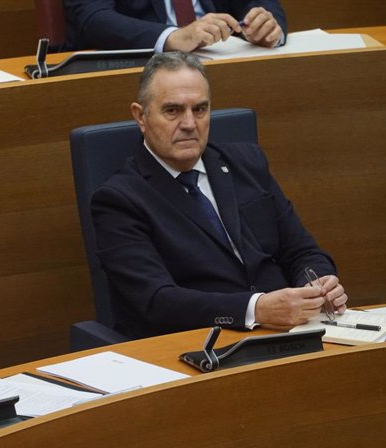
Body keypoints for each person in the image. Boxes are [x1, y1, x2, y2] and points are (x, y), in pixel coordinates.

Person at [91, 51, 348, 339]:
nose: (190, 123)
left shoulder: (247, 163)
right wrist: (256, 309)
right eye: (173, 111)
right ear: (141, 116)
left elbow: (302, 251)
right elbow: (158, 301)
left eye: (200, 109)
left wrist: (317, 284)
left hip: (291, 330)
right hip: (202, 344)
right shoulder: (119, 200)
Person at [64, 0, 287, 52]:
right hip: (140, 68)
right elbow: (93, 19)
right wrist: (172, 38)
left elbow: (262, 2)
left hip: (221, 56)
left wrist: (266, 25)